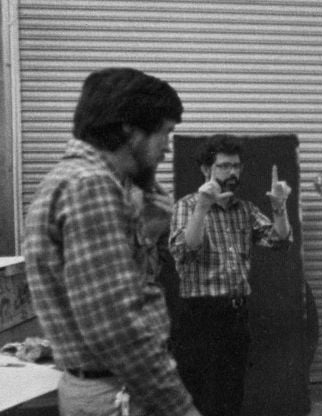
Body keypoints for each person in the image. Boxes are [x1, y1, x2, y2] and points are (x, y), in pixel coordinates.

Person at [23, 67, 202, 416]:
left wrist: (147, 230)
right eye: (165, 132)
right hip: (116, 393)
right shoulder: (91, 186)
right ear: (129, 130)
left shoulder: (70, 179)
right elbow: (117, 328)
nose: (167, 147)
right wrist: (181, 408)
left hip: (104, 387)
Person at [168, 135, 292, 416]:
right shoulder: (186, 206)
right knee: (201, 396)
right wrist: (203, 206)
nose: (233, 172)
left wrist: (279, 206)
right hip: (200, 316)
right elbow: (185, 250)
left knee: (231, 394)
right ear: (205, 170)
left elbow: (280, 240)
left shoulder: (244, 209)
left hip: (235, 316)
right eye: (224, 166)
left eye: (236, 166)